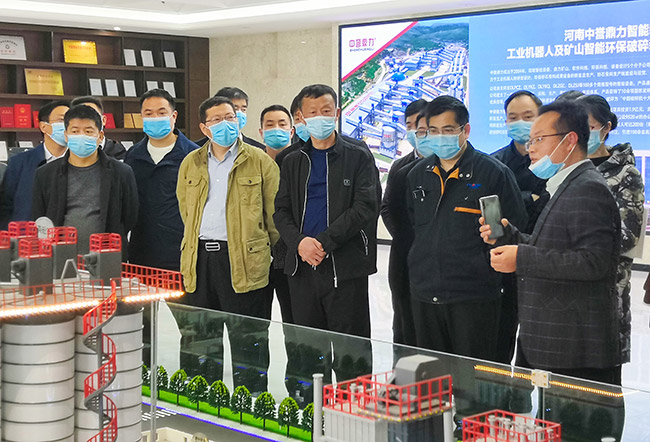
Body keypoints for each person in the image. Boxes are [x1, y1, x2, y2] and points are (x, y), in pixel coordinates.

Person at [480, 99, 622, 385]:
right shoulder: (566, 184)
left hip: (574, 346)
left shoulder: (588, 188)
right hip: (555, 338)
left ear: (569, 141)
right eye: (531, 140)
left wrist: (521, 257)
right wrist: (510, 237)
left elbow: (593, 262)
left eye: (539, 139)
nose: (530, 148)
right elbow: (557, 247)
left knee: (572, 415)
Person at [406, 95, 526, 361]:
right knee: (432, 377)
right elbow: (413, 226)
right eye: (433, 131)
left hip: (474, 297)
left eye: (448, 130)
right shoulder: (417, 175)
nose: (440, 137)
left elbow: (514, 230)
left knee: (473, 379)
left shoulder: (493, 173)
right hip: (425, 293)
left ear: (466, 130)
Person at [273, 84, 378, 382]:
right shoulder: (293, 160)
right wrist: (300, 243)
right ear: (301, 118)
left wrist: (323, 242)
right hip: (302, 267)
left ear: (337, 113)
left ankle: (351, 407)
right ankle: (311, 406)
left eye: (326, 111)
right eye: (312, 112)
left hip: (345, 268)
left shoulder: (358, 156)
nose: (320, 117)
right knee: (308, 350)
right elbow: (280, 211)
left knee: (351, 351)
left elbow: (365, 207)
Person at [177, 95, 279, 392]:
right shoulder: (191, 162)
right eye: (217, 119)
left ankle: (251, 399)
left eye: (230, 117)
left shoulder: (259, 160)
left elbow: (274, 217)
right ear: (204, 128)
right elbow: (185, 210)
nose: (225, 124)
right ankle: (203, 399)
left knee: (249, 337)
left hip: (245, 261)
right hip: (199, 261)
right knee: (199, 336)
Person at [577, 94, 644, 366]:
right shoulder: (567, 167)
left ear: (606, 128)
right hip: (565, 287)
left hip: (606, 287)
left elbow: (627, 236)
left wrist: (575, 252)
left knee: (601, 373)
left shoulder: (625, 173)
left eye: (589, 126)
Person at [31, 104, 138, 256]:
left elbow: (130, 216)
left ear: (100, 136)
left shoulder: (121, 172)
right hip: (59, 258)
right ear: (66, 135)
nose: (81, 136)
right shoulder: (45, 174)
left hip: (107, 257)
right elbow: (40, 218)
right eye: (75, 131)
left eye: (88, 131)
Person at [491, 90, 546, 364]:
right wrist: (529, 198)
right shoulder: (495, 162)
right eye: (513, 117)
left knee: (536, 343)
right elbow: (492, 210)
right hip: (503, 259)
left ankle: (526, 386)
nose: (520, 123)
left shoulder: (552, 161)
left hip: (542, 260)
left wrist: (517, 200)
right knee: (500, 336)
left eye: (527, 116)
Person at [124, 89, 198, 270]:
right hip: (141, 250)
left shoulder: (193, 155)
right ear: (141, 117)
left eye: (161, 112)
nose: (155, 118)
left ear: (174, 116)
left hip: (180, 251)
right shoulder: (133, 155)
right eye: (149, 114)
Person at [379, 98, 427, 346]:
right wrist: (404, 237)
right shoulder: (400, 167)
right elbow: (387, 207)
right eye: (409, 125)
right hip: (404, 255)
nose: (414, 131)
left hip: (439, 264)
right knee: (404, 325)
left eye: (420, 125)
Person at [0, 100, 69, 228]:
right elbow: (5, 206)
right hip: (24, 236)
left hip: (66, 236)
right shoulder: (19, 163)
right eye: (62, 120)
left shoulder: (80, 163)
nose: (68, 125)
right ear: (44, 127)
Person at [258, 104, 294, 324]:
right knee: (257, 322)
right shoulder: (252, 164)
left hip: (291, 256)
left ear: (291, 130)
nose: (276, 129)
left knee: (294, 321)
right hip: (257, 257)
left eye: (282, 124)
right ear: (261, 132)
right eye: (270, 125)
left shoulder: (300, 162)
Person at [193, 87, 265, 149]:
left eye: (243, 109)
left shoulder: (259, 150)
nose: (239, 114)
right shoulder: (195, 148)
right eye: (235, 108)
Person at [70, 96, 127, 160]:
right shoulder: (66, 150)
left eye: (93, 115)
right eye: (81, 116)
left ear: (103, 120)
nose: (87, 120)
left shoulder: (117, 150)